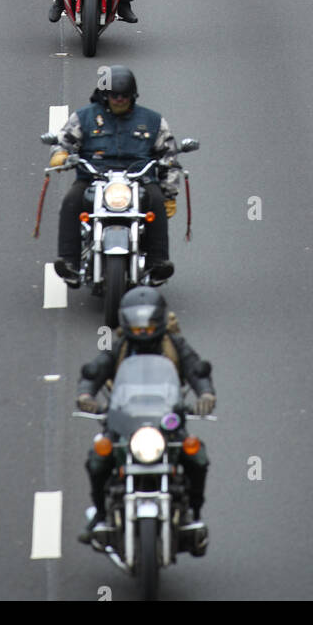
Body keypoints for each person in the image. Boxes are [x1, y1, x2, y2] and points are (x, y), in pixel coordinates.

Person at [74, 285, 215, 545]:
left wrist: (205, 395)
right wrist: (86, 395)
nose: (142, 329)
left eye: (148, 321)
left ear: (160, 319)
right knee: (99, 457)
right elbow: (96, 369)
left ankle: (194, 513)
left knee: (197, 456)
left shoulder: (175, 344)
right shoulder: (120, 347)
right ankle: (101, 514)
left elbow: (197, 370)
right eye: (137, 322)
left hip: (167, 422)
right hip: (125, 422)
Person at [49, 68, 180, 283]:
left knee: (157, 201)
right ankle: (69, 262)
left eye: (124, 95)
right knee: (71, 201)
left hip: (140, 179)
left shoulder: (154, 121)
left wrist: (170, 193)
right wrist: (61, 154)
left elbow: (169, 156)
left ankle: (158, 263)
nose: (119, 100)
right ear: (104, 95)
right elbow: (64, 140)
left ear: (133, 96)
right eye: (114, 95)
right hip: (94, 178)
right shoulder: (83, 117)